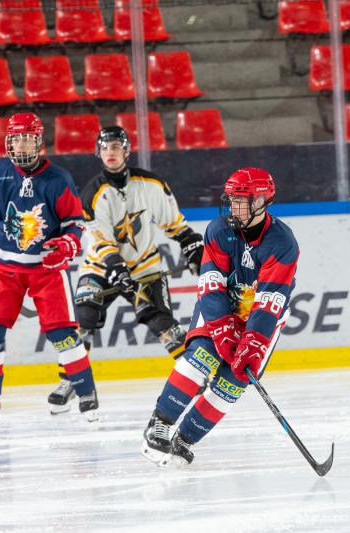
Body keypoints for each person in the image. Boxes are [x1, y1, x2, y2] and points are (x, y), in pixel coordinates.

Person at [140, 168, 299, 468]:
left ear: (263, 201)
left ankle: (184, 440)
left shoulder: (283, 243)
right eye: (232, 200)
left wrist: (253, 341)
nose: (234, 207)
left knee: (234, 380)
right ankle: (159, 424)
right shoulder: (218, 230)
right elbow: (211, 286)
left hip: (262, 317)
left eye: (243, 200)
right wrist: (222, 328)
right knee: (202, 354)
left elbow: (269, 304)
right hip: (221, 307)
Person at [47, 126, 204, 414]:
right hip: (100, 267)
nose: (110, 152)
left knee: (161, 321)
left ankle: (193, 374)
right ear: (98, 152)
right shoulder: (93, 193)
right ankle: (70, 378)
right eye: (105, 147)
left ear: (126, 150)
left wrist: (192, 246)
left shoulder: (151, 184)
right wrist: (118, 270)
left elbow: (174, 223)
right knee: (83, 316)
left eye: (116, 146)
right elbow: (101, 240)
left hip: (144, 267)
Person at [0, 112, 97, 427]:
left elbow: (75, 223)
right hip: (4, 269)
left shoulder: (58, 178)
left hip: (46, 270)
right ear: (8, 141)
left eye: (28, 138)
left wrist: (66, 245)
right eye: (16, 138)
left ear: (39, 141)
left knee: (62, 335)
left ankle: (86, 392)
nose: (21, 144)